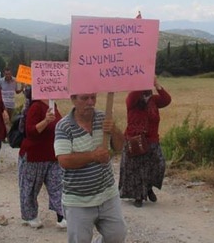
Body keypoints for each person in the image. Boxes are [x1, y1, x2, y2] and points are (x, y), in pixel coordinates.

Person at [54, 93, 127, 243]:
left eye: (93, 98)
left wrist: (113, 129)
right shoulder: (64, 126)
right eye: (85, 98)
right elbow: (64, 160)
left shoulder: (103, 118)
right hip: (78, 200)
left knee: (117, 235)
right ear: (73, 99)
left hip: (107, 195)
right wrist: (93, 156)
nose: (90, 102)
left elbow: (120, 147)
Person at [119, 77, 171, 208]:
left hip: (152, 140)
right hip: (135, 140)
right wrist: (142, 77)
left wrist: (157, 84)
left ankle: (148, 187)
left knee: (159, 165)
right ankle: (138, 196)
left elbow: (167, 100)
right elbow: (135, 94)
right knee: (136, 169)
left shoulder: (153, 100)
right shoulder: (132, 99)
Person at [18, 89, 65, 229]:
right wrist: (45, 121)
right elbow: (30, 132)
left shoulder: (53, 105)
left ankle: (62, 216)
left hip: (52, 155)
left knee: (57, 186)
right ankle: (30, 216)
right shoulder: (36, 107)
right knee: (31, 187)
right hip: (34, 156)